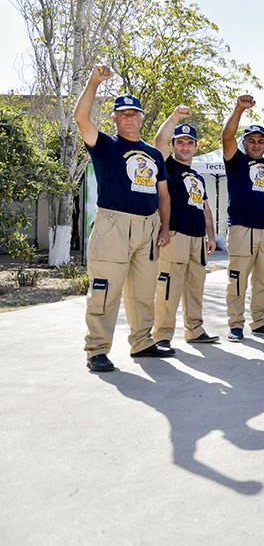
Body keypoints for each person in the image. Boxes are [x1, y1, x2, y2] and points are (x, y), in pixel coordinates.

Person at [74, 66, 172, 372]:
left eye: (134, 114)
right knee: (105, 290)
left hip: (148, 227)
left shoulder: (154, 154)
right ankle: (97, 349)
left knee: (143, 291)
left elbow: (164, 195)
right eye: (123, 114)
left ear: (142, 118)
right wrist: (94, 82)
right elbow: (81, 118)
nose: (129, 118)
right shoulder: (105, 145)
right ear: (115, 118)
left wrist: (165, 227)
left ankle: (142, 342)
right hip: (113, 226)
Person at [151, 107, 219, 348]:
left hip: (197, 241)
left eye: (190, 143)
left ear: (196, 147)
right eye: (180, 142)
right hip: (175, 237)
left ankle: (195, 330)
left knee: (195, 289)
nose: (185, 147)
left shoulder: (197, 177)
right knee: (168, 288)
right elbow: (159, 141)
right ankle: (162, 336)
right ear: (173, 146)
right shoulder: (167, 166)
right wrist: (175, 117)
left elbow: (205, 209)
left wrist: (211, 236)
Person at [221, 95, 264, 341]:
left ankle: (260, 322)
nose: (256, 145)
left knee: (262, 280)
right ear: (244, 142)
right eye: (251, 141)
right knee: (237, 280)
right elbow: (227, 137)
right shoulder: (236, 160)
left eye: (260, 141)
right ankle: (235, 324)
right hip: (242, 229)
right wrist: (239, 109)